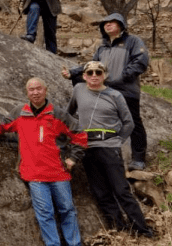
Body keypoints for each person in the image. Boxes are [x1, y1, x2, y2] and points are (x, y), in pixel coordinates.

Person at [0, 78, 87, 246]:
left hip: (58, 172)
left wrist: (73, 158)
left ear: (46, 90)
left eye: (39, 89)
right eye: (31, 90)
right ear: (27, 92)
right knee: (45, 214)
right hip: (34, 174)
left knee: (67, 211)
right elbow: (0, 126)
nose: (35, 92)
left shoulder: (57, 114)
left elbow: (80, 135)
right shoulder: (20, 113)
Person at [67, 61, 153, 237]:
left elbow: (129, 122)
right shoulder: (78, 90)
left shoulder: (115, 95)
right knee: (101, 191)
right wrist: (73, 137)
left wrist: (118, 141)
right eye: (89, 72)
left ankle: (142, 230)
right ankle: (119, 228)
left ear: (105, 75)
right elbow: (69, 114)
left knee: (121, 190)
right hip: (86, 148)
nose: (94, 75)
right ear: (84, 76)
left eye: (98, 72)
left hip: (109, 147)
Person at [62, 13, 150, 171]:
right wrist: (73, 72)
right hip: (106, 90)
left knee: (133, 122)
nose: (107, 25)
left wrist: (123, 76)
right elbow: (92, 65)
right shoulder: (102, 46)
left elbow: (141, 61)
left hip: (126, 90)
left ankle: (138, 158)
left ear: (121, 25)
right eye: (105, 23)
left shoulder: (133, 41)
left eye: (112, 22)